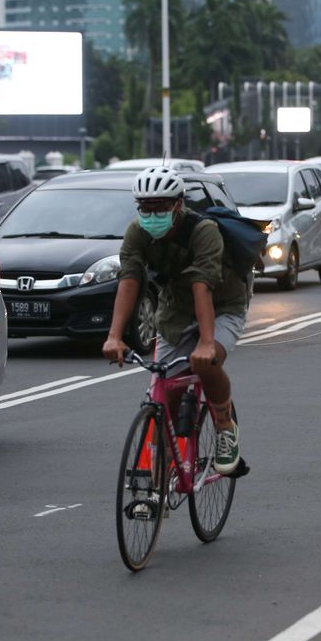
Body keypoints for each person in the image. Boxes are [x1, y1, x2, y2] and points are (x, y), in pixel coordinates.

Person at [101, 166, 248, 476]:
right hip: (176, 308)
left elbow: (202, 285)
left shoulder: (203, 230)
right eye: (145, 208)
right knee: (166, 389)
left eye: (161, 207)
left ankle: (225, 427)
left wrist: (207, 344)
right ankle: (160, 475)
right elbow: (129, 279)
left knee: (205, 364)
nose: (152, 215)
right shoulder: (137, 233)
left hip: (223, 303)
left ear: (178, 204)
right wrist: (114, 336)